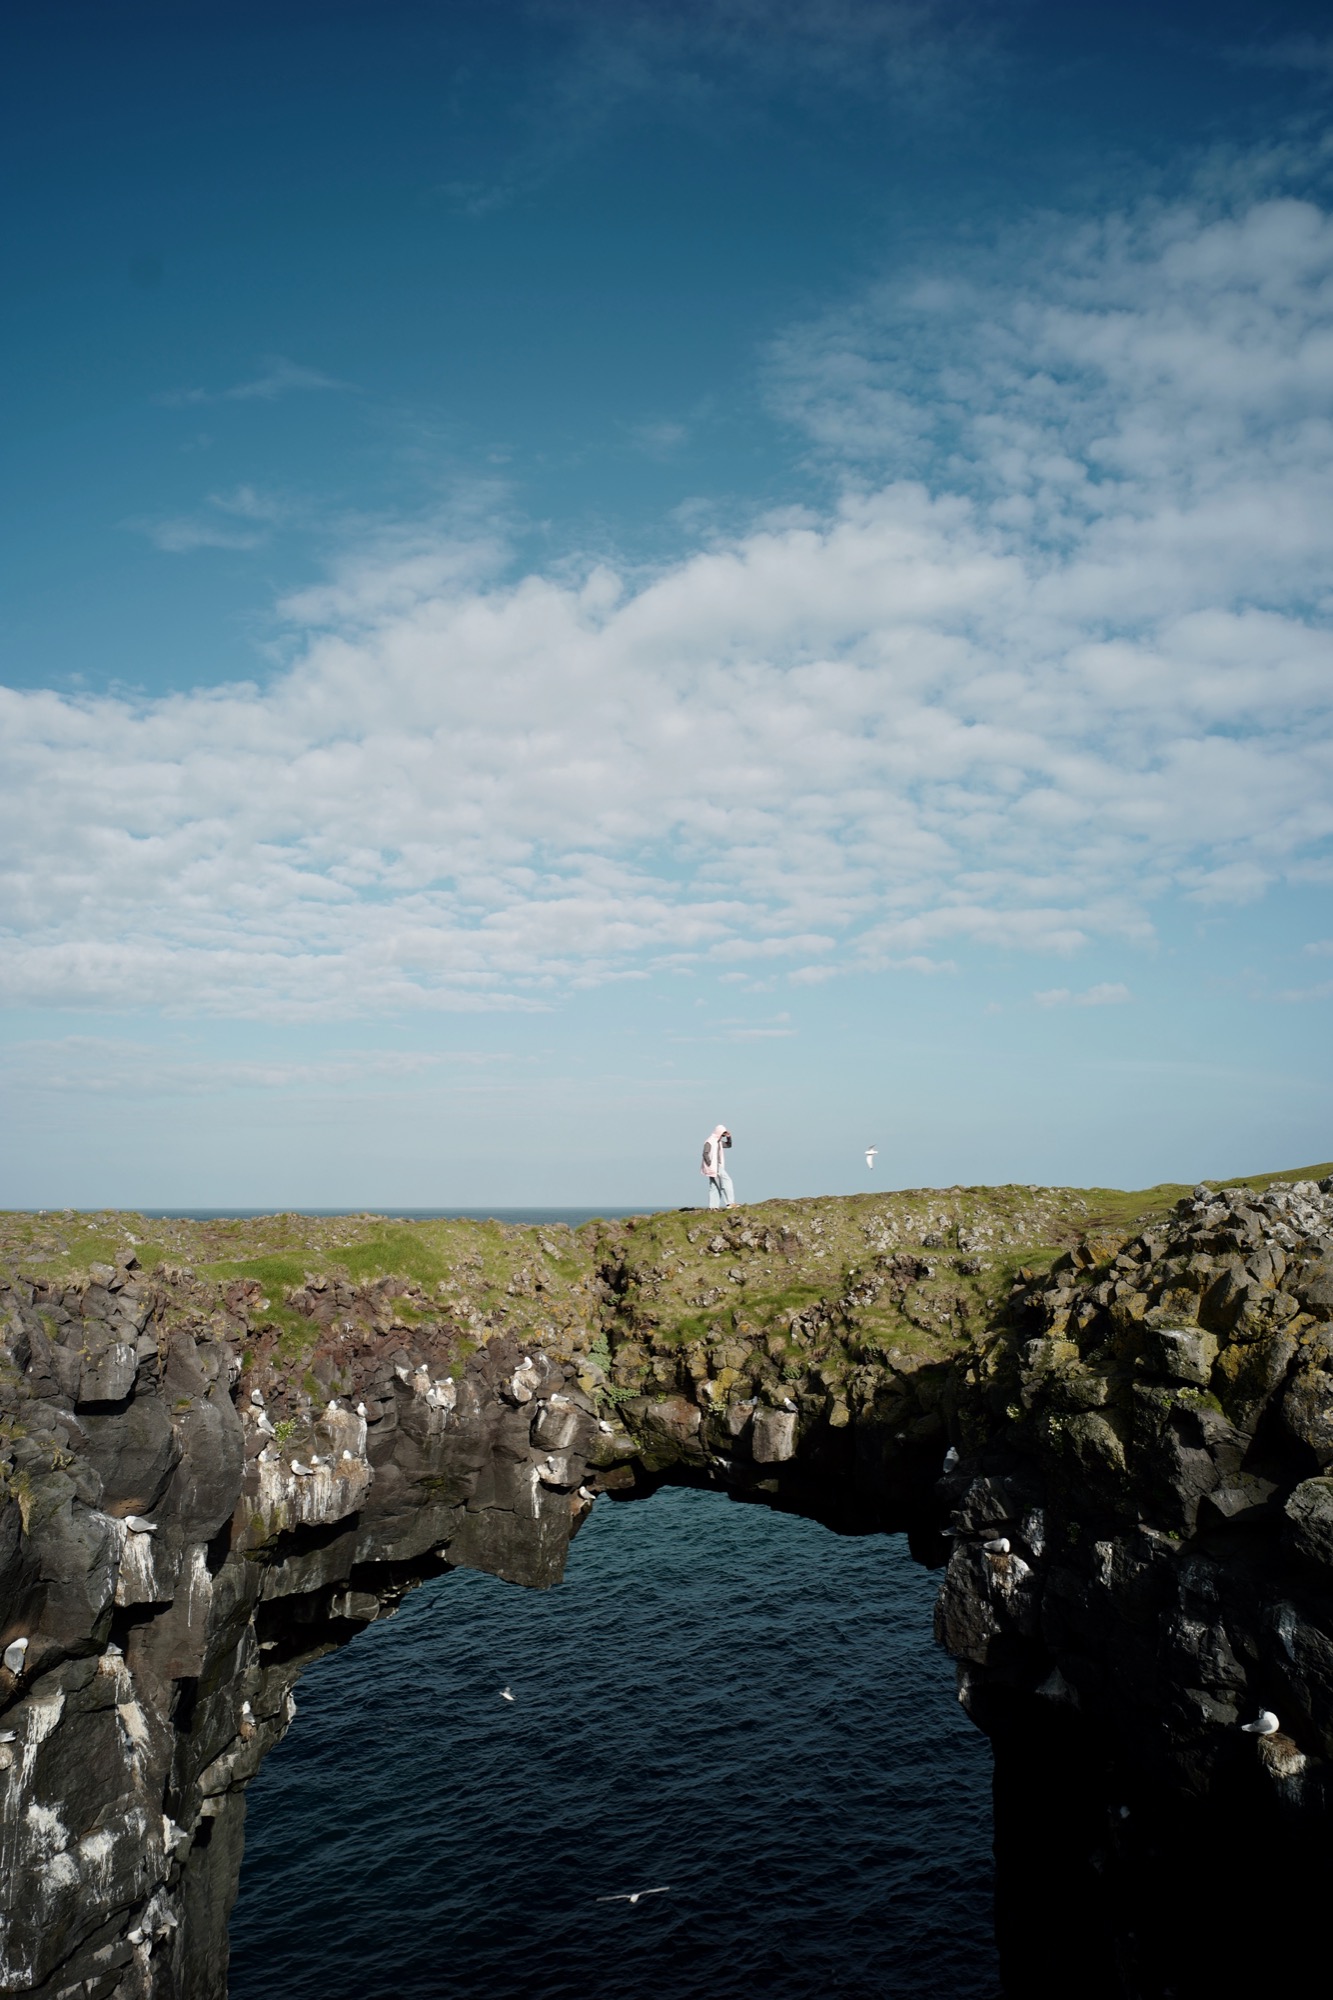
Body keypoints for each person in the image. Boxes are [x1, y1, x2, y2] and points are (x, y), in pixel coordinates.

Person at [701, 1124, 734, 1208]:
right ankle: (730, 1203)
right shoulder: (710, 1141)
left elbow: (728, 1145)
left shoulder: (718, 1142)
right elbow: (705, 1153)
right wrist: (710, 1164)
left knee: (714, 1186)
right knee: (727, 1181)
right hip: (714, 1166)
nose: (723, 1135)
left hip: (715, 1166)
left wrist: (729, 1137)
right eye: (722, 1134)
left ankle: (713, 1207)